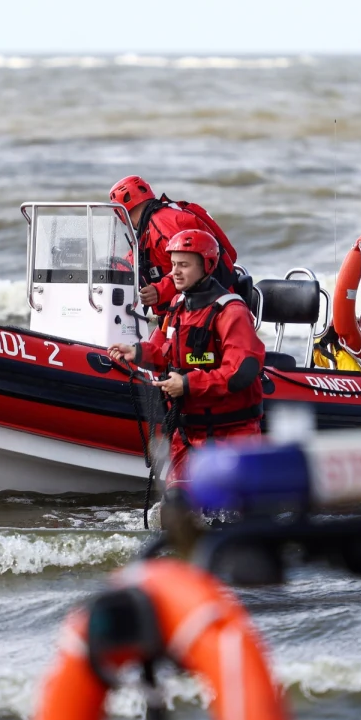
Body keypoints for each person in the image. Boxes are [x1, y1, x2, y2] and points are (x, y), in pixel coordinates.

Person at [107, 230, 265, 491]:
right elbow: (163, 351)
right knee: (175, 505)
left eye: (184, 265)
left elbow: (240, 372)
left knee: (228, 508)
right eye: (173, 265)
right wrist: (137, 353)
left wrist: (188, 384)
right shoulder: (178, 305)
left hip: (230, 434)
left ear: (207, 266)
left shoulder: (231, 312)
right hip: (188, 433)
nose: (175, 273)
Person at [108, 175, 235, 313]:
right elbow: (138, 257)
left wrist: (159, 291)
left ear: (121, 212)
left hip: (212, 305)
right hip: (190, 305)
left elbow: (190, 265)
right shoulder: (152, 224)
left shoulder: (162, 223)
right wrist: (109, 268)